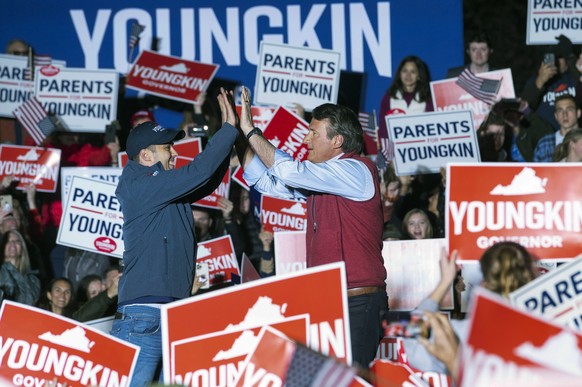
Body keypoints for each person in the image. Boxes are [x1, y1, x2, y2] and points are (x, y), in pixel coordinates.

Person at [239, 87, 387, 368]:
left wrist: (250, 130)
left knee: (349, 382)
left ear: (337, 141)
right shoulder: (323, 182)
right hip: (328, 302)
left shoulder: (356, 170)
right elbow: (267, 183)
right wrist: (237, 137)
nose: (305, 139)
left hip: (357, 304)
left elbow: (287, 170)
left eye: (313, 133)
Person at [111, 88, 239, 385]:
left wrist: (229, 137)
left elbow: (204, 181)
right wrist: (228, 130)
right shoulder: (139, 185)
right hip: (144, 315)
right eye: (167, 148)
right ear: (146, 155)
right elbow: (198, 172)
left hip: (170, 313)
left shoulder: (162, 187)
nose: (175, 152)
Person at [404, 242, 538, 381]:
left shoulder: (459, 332)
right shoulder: (549, 334)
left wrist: (445, 282)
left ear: (484, 285)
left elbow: (411, 343)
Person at [378, 56, 433, 161]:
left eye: (413, 72)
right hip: (395, 153)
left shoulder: (428, 98)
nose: (408, 75)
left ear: (419, 76)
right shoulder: (389, 97)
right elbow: (384, 129)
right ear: (400, 74)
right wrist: (389, 157)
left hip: (421, 153)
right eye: (405, 71)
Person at [521, 34, 580, 130]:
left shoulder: (575, 77)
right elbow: (524, 107)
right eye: (552, 57)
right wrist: (540, 81)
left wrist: (570, 57)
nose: (556, 61)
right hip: (546, 139)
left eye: (560, 56)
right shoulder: (535, 81)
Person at [533, 94, 581, 162]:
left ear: (578, 113)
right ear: (556, 116)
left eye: (569, 109)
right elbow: (535, 170)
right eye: (560, 110)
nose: (565, 114)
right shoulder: (544, 143)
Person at [0, 230, 41, 305]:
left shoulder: (33, 280)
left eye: (17, 241)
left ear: (22, 247)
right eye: (8, 241)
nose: (12, 244)